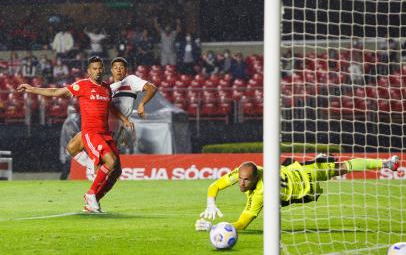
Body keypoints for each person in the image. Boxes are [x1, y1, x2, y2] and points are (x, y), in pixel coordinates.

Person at [17, 56, 134, 213]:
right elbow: (56, 92)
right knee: (110, 162)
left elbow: (111, 107)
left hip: (105, 133)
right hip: (91, 133)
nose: (98, 71)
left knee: (117, 171)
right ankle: (91, 194)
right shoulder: (82, 85)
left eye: (100, 68)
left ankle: (93, 201)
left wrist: (124, 119)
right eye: (94, 68)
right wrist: (32, 89)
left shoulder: (107, 88)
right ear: (89, 71)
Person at [195, 154, 400, 231]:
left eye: (246, 180)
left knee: (342, 167)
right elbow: (214, 186)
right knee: (338, 166)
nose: (241, 182)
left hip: (305, 187)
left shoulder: (260, 194)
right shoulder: (250, 169)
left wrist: (215, 228)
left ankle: (385, 163)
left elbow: (240, 224)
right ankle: (322, 159)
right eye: (239, 178)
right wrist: (211, 202)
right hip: (299, 169)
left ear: (256, 177)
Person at [66, 56, 157, 189]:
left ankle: (93, 197)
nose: (118, 70)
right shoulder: (108, 88)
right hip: (99, 126)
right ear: (111, 70)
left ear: (126, 70)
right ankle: (93, 180)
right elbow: (109, 107)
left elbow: (152, 88)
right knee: (72, 148)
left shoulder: (130, 80)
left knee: (106, 166)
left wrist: (142, 104)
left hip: (111, 131)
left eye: (121, 67)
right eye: (115, 67)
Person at [59, 105, 80, 180]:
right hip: (71, 146)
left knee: (69, 163)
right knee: (68, 163)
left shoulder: (69, 120)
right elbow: (73, 133)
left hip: (69, 145)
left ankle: (63, 178)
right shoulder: (70, 121)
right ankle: (63, 178)